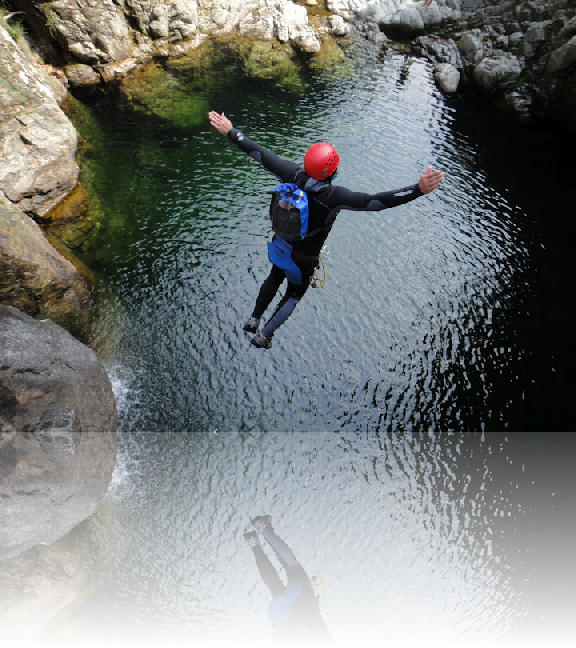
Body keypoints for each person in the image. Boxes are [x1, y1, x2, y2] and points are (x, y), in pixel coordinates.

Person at [208, 110, 444, 349]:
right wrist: (417, 190)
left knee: (274, 275)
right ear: (331, 172)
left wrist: (230, 130)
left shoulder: (290, 173)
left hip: (280, 245)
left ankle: (253, 319)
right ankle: (264, 335)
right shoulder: (334, 197)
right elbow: (377, 202)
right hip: (301, 261)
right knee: (294, 293)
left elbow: (257, 152)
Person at [244, 515, 336, 648]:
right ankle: (253, 544)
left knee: (292, 566)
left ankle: (263, 527)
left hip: (301, 603)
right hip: (279, 620)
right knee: (274, 585)